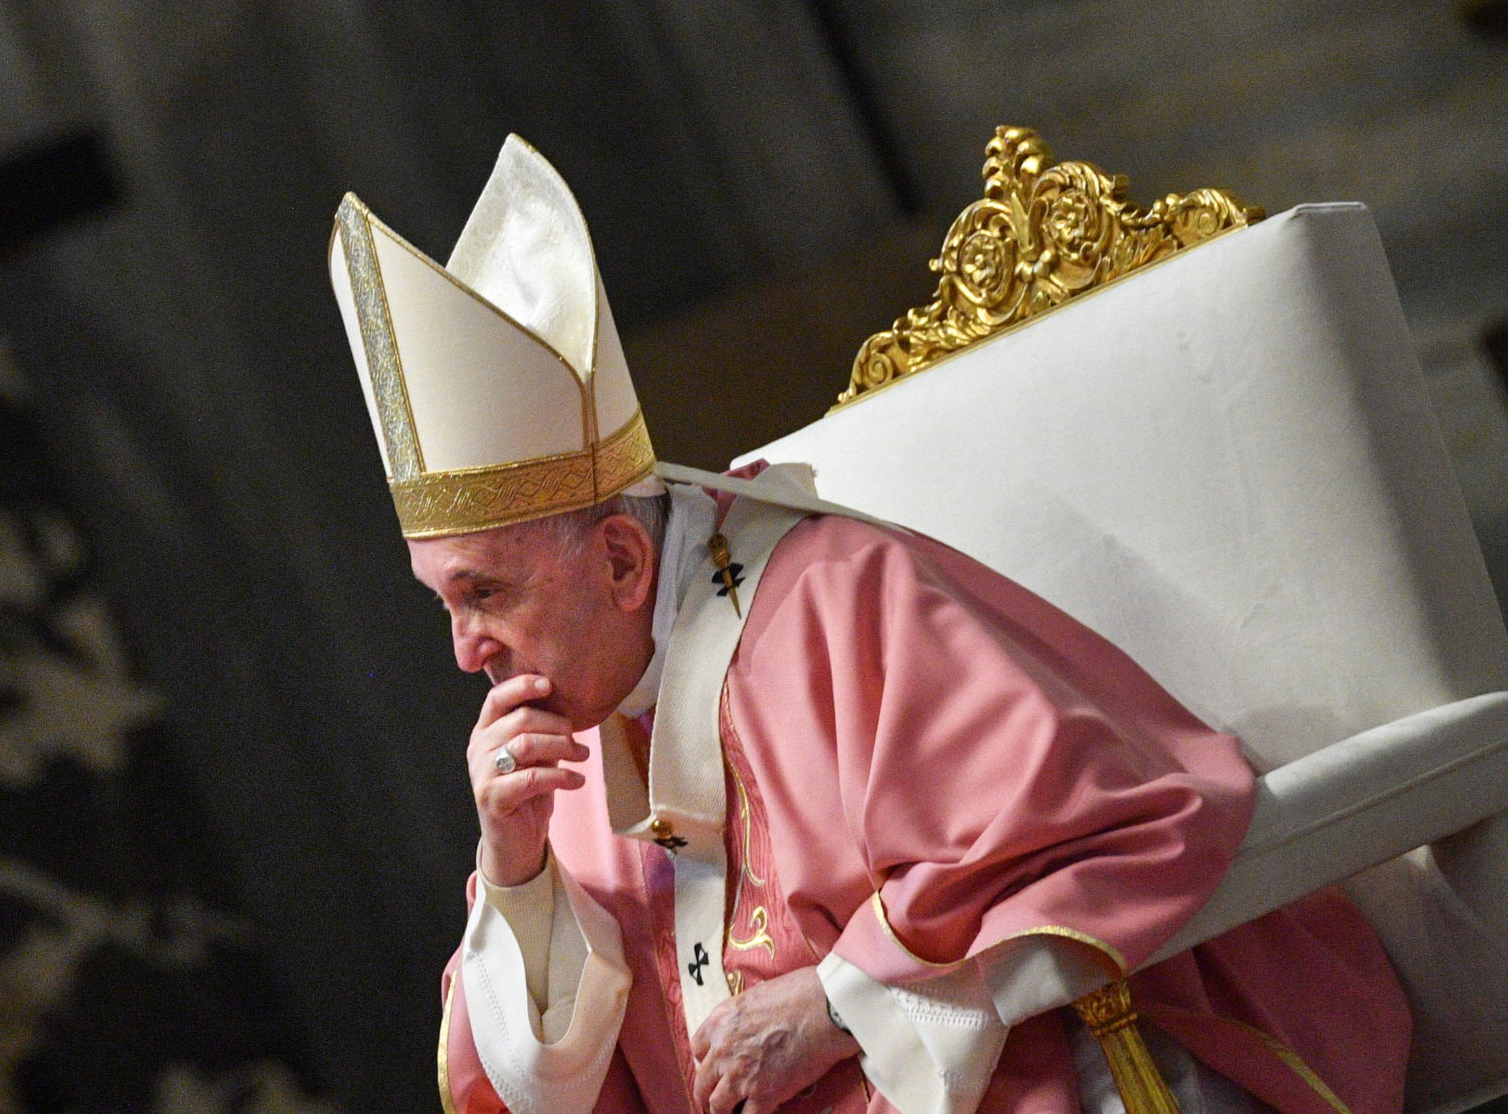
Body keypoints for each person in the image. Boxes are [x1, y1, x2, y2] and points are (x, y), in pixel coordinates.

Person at [327, 138, 1408, 1114]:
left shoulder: (838, 599)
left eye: (484, 594)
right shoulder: (559, 753)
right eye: (444, 603)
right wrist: (515, 874)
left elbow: (1089, 825)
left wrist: (841, 1001)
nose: (465, 652)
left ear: (619, 560)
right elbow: (546, 1089)